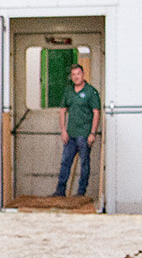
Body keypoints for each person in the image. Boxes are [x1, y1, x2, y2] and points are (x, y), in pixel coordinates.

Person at [53, 64, 101, 197]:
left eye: (78, 74)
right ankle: (60, 191)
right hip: (70, 135)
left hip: (84, 135)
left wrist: (92, 133)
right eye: (73, 75)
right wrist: (63, 130)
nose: (76, 77)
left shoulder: (91, 92)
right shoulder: (68, 91)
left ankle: (81, 193)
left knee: (84, 163)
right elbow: (62, 111)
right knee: (65, 162)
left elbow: (96, 113)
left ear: (83, 74)